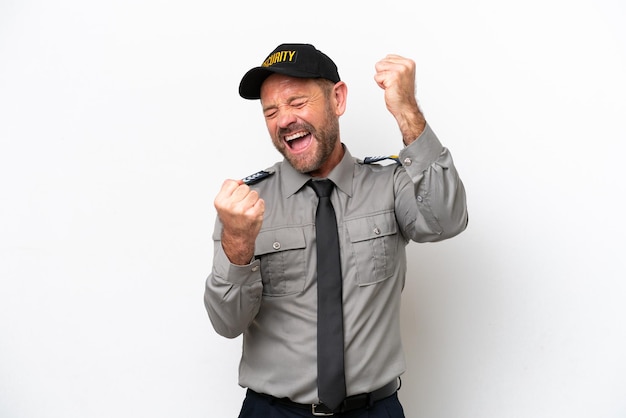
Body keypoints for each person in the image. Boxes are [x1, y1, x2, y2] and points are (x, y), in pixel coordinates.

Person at [204, 43, 468, 417]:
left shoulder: (389, 184)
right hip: (273, 412)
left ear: (338, 99)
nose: (283, 120)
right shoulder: (245, 207)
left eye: (297, 102)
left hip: (374, 409)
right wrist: (237, 244)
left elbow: (447, 219)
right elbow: (227, 323)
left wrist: (407, 111)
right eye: (271, 111)